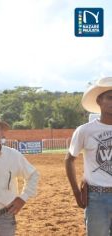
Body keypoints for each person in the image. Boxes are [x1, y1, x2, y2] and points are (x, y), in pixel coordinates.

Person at [65, 77, 112, 236]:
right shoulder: (84, 130)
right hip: (96, 197)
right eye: (110, 97)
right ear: (99, 100)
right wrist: (76, 192)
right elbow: (69, 159)